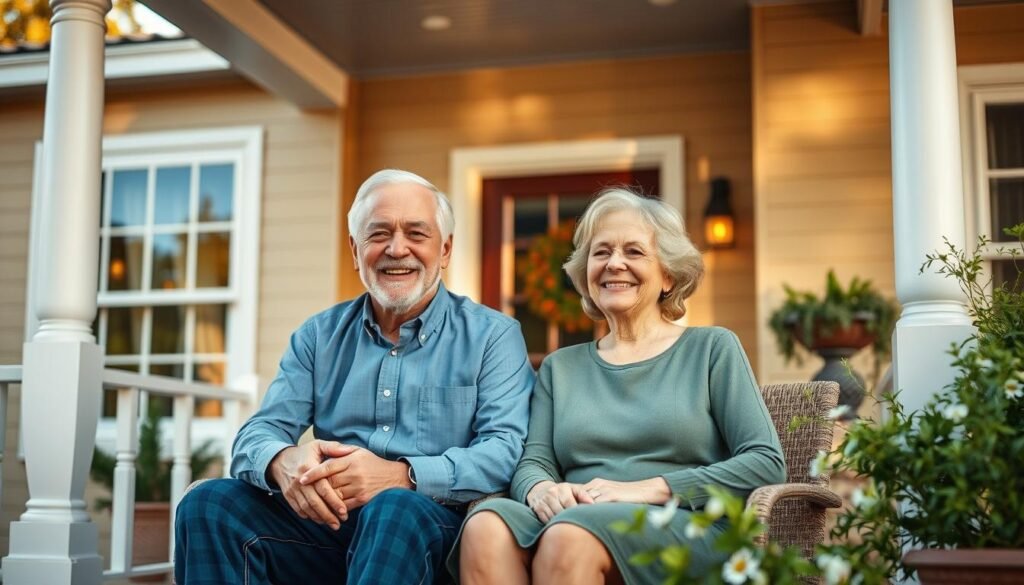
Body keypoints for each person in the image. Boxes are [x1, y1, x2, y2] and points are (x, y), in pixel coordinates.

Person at [174, 169, 535, 585]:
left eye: (416, 234)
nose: (396, 249)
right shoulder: (318, 335)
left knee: (394, 507)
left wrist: (402, 475)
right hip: (329, 524)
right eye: (378, 233)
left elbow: (505, 450)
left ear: (446, 249)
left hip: (431, 529)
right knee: (208, 503)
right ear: (355, 248)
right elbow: (260, 431)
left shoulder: (493, 336)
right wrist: (281, 461)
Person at [454, 187, 786, 585]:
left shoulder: (712, 349)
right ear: (586, 275)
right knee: (485, 526)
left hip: (681, 523)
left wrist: (647, 489)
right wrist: (541, 489)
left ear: (667, 274)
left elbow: (766, 462)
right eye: (601, 252)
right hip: (576, 516)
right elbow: (533, 460)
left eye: (634, 252)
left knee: (569, 536)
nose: (615, 264)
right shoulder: (560, 368)